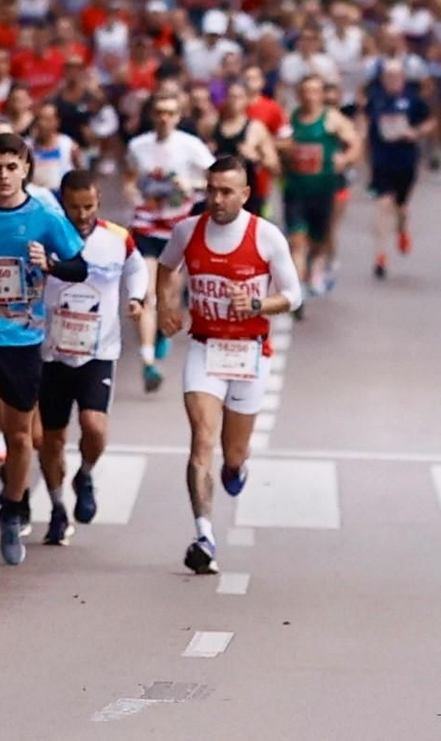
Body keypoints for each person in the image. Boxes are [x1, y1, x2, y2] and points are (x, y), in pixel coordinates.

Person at [155, 156, 301, 576]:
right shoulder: (187, 230)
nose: (215, 199)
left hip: (250, 353)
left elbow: (294, 295)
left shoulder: (266, 236)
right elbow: (166, 268)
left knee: (232, 455)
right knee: (202, 438)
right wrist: (167, 305)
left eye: (225, 192)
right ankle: (204, 535)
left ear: (244, 195)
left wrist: (258, 303)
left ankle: (237, 466)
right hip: (205, 349)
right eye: (210, 190)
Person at [0, 133, 87, 564]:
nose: (4, 176)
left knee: (21, 436)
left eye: (12, 167)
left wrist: (50, 264)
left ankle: (11, 507)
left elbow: (78, 266)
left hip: (24, 339)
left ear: (26, 168)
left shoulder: (45, 216)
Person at [37, 169, 148, 545]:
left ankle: (85, 473)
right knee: (50, 439)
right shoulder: (48, 235)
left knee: (94, 426)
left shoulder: (116, 238)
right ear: (62, 203)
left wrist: (136, 298)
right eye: (73, 207)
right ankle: (56, 509)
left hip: (99, 350)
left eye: (88, 206)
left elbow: (137, 269)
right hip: (51, 351)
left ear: (98, 201)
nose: (82, 214)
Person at [123, 89, 214, 390]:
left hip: (177, 230)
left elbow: (216, 180)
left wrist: (194, 184)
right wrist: (135, 194)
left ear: (178, 116)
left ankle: (161, 332)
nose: (164, 117)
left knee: (169, 294)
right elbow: (130, 178)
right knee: (146, 293)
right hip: (146, 227)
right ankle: (148, 362)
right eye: (159, 111)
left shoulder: (191, 146)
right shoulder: (138, 146)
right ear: (152, 114)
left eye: (170, 112)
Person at [277, 74, 360, 306]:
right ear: (298, 95)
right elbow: (279, 142)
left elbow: (354, 142)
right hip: (296, 189)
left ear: (322, 95)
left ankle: (313, 268)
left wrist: (345, 159)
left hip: (323, 189)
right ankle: (298, 290)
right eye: (305, 91)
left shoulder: (331, 119)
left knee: (318, 241)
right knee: (297, 241)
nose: (310, 96)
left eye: (315, 91)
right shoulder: (290, 119)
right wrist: (284, 150)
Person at [366, 57, 434, 279]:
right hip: (381, 159)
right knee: (383, 204)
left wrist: (416, 133)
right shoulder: (375, 99)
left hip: (405, 159)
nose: (392, 80)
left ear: (403, 78)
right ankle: (380, 255)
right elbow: (365, 122)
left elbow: (430, 121)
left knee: (401, 207)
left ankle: (403, 229)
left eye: (396, 76)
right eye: (388, 76)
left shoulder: (413, 100)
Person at [207, 81, 279, 216]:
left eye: (238, 97)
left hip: (246, 197)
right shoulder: (212, 125)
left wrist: (256, 157)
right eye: (230, 96)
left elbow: (275, 166)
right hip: (218, 193)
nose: (234, 101)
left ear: (247, 100)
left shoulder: (255, 129)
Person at [26, 101, 82, 194]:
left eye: (47, 120)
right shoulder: (27, 146)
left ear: (57, 122)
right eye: (39, 119)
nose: (42, 124)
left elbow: (79, 175)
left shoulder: (68, 145)